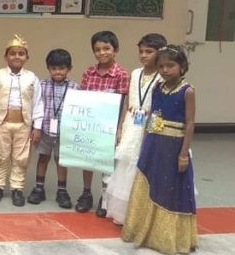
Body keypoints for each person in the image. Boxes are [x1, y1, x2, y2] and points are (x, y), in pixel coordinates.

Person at [122, 45, 197, 254]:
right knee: (148, 182)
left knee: (169, 188)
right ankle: (144, 231)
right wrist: (145, 143)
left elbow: (190, 124)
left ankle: (167, 238)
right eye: (161, 66)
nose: (165, 70)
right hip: (154, 143)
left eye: (170, 66)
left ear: (182, 66)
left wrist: (183, 154)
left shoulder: (187, 91)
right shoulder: (157, 88)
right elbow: (153, 116)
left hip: (174, 147)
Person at [105, 33, 166, 224]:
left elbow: (161, 108)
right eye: (141, 51)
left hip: (150, 126)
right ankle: (124, 214)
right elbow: (127, 102)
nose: (143, 55)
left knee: (144, 166)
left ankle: (143, 215)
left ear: (160, 53)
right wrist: (121, 127)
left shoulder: (162, 77)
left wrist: (152, 132)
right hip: (132, 123)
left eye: (149, 51)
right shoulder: (135, 73)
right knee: (126, 166)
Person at [0, 34, 43, 207]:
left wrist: (37, 127)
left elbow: (37, 103)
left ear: (27, 57)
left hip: (23, 124)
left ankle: (17, 188)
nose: (17, 57)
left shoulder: (32, 78)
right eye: (12, 53)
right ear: (6, 57)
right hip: (1, 123)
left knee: (21, 158)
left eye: (21, 53)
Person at [76, 31, 129, 216]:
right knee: (88, 160)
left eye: (106, 48)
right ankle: (86, 193)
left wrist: (119, 128)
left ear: (116, 50)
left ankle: (104, 197)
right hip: (90, 125)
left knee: (106, 162)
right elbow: (82, 99)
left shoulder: (121, 74)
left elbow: (123, 103)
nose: (102, 53)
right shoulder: (88, 73)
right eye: (97, 49)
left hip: (109, 127)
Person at [27, 49, 78, 208]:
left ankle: (62, 191)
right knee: (43, 158)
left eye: (62, 68)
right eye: (53, 68)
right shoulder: (41, 85)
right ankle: (39, 188)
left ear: (69, 69)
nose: (57, 72)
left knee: (61, 161)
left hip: (64, 132)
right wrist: (35, 127)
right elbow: (35, 106)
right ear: (48, 68)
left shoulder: (75, 88)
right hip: (45, 130)